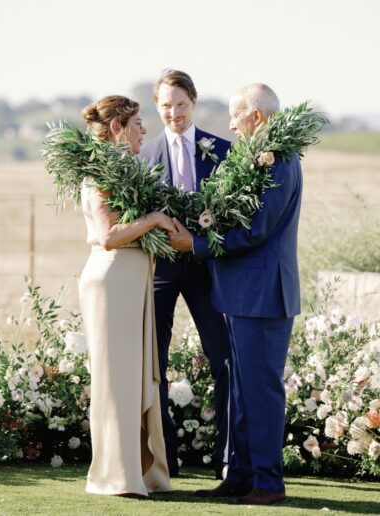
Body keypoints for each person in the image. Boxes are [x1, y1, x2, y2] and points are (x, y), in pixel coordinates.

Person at [170, 83, 303, 505]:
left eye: (235, 115)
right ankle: (241, 475)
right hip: (241, 293)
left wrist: (196, 244)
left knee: (260, 391)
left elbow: (256, 230)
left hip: (263, 295)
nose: (229, 125)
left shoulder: (278, 160)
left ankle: (268, 483)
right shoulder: (256, 158)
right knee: (242, 391)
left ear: (257, 117)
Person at [139, 70, 232, 478]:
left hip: (208, 269)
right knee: (153, 363)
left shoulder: (224, 152)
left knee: (225, 359)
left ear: (193, 102)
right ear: (157, 107)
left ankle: (229, 460)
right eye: (165, 106)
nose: (173, 113)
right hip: (159, 271)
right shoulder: (143, 157)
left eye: (180, 104)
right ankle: (166, 459)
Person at [79, 95, 173, 498]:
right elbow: (109, 235)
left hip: (132, 285)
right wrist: (153, 219)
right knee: (117, 381)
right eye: (137, 123)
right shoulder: (99, 171)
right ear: (117, 128)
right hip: (112, 285)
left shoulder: (125, 168)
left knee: (134, 379)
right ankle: (118, 475)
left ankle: (138, 467)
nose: (144, 130)